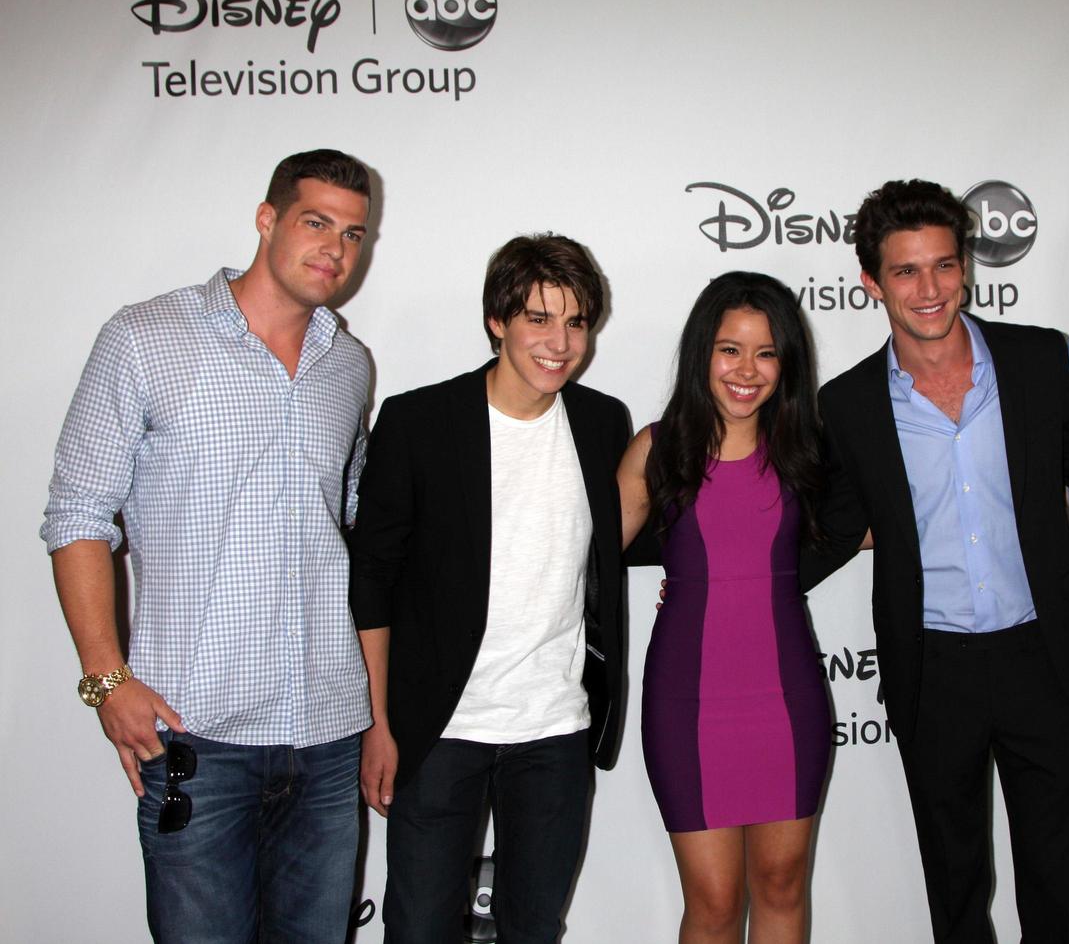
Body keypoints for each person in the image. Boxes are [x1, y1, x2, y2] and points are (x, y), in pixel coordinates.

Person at [42, 149, 375, 942]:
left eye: (355, 233)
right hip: (200, 733)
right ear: (267, 221)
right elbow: (79, 517)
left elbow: (351, 524)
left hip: (329, 736)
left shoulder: (350, 367)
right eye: (316, 223)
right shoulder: (146, 338)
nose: (335, 248)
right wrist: (105, 678)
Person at [801, 180, 1069, 943]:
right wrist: (712, 578)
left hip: (1043, 654)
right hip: (933, 670)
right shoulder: (847, 404)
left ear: (965, 265)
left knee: (1053, 885)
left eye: (943, 265)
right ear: (871, 283)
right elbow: (829, 530)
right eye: (905, 271)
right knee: (955, 891)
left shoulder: (1039, 360)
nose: (928, 289)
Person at [348, 233, 629, 943]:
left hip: (555, 730)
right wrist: (378, 723)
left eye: (575, 322)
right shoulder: (419, 423)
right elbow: (372, 580)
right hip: (440, 729)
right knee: (418, 930)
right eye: (538, 318)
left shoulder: (602, 423)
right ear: (497, 321)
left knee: (533, 929)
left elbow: (616, 546)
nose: (559, 342)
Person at [618, 272, 830, 944]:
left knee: (782, 885)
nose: (747, 370)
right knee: (712, 902)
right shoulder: (656, 449)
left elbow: (878, 527)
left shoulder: (806, 450)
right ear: (700, 353)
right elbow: (582, 562)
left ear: (786, 363)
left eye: (766, 352)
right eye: (729, 349)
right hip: (688, 704)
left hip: (786, 698)